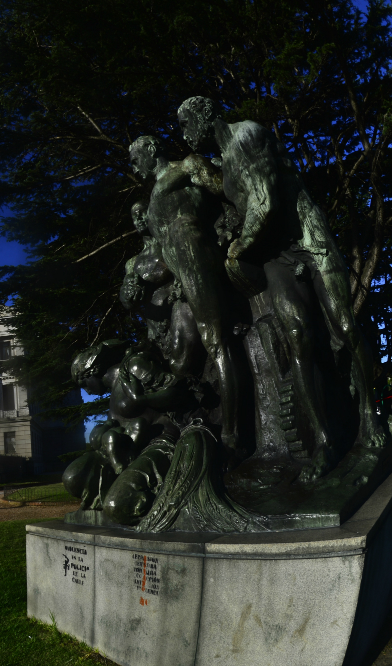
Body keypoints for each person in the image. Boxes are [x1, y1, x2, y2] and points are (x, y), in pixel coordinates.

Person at [177, 96, 387, 480]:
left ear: (205, 116)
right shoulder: (225, 163)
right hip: (275, 255)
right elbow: (230, 188)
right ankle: (325, 441)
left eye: (187, 125)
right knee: (297, 336)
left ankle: (371, 417)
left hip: (308, 238)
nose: (186, 136)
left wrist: (237, 248)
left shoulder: (246, 135)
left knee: (344, 326)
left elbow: (266, 203)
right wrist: (198, 175)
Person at [129, 135, 248, 460]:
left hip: (193, 252)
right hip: (180, 267)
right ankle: (207, 422)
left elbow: (225, 188)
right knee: (190, 354)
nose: (133, 164)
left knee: (217, 341)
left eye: (135, 156)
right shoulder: (157, 189)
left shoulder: (185, 167)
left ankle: (234, 434)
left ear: (151, 149)